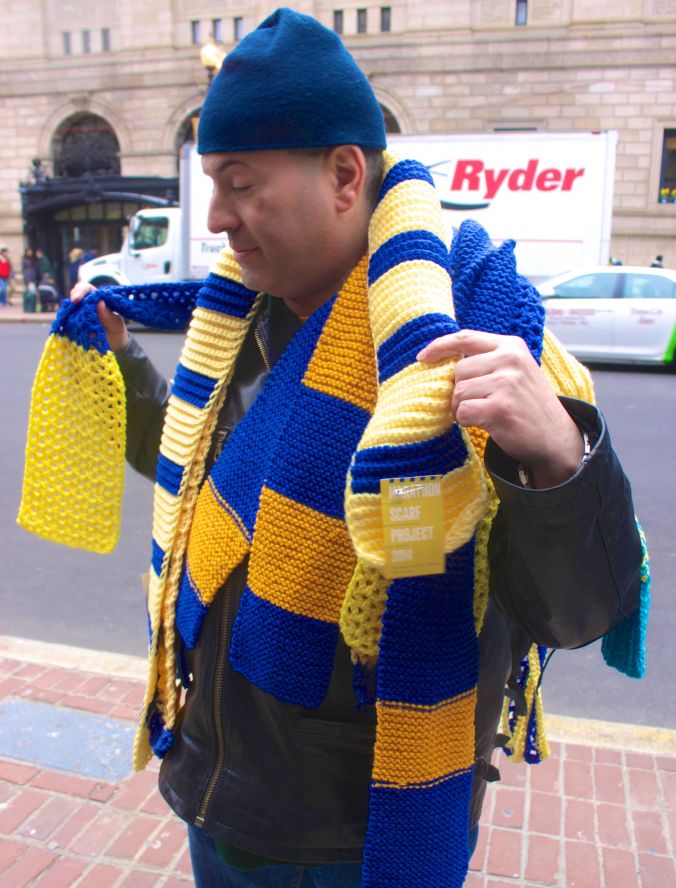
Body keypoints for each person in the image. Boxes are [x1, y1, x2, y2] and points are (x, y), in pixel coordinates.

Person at [63, 10, 643, 888]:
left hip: (353, 836)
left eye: (241, 182)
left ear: (343, 176)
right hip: (214, 792)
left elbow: (581, 611)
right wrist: (127, 368)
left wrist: (559, 455)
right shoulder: (234, 318)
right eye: (212, 182)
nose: (217, 216)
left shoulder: (478, 333)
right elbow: (199, 476)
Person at [21, 247, 38, 313]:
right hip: (28, 278)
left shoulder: (34, 259)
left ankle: (31, 307)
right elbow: (24, 270)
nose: (30, 253)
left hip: (33, 278)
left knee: (31, 293)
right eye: (29, 252)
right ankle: (29, 308)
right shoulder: (24, 260)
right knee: (30, 293)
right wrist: (27, 280)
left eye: (31, 252)